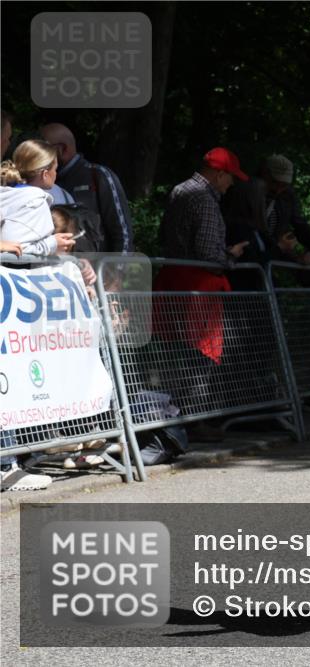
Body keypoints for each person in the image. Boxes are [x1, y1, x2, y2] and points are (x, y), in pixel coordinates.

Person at [154, 147, 250, 440]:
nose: (230, 184)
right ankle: (193, 419)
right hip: (198, 287)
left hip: (174, 280)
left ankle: (176, 416)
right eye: (230, 178)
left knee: (178, 353)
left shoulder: (180, 190)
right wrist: (231, 256)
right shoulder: (204, 199)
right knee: (200, 353)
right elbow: (209, 253)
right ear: (219, 174)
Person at [39, 123, 134, 252]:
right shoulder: (40, 181)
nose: (39, 154)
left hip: (97, 269)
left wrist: (117, 269)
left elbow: (123, 233)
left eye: (45, 148)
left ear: (62, 149)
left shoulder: (99, 176)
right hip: (57, 267)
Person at [0, 140, 76, 256]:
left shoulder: (6, 192)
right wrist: (53, 244)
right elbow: (16, 249)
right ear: (45, 174)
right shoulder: (35, 202)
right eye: (55, 169)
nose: (56, 174)